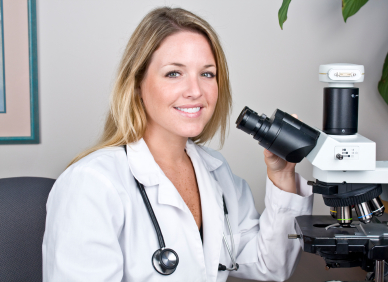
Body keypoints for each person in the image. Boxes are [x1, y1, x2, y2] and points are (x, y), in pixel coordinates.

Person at [42, 6, 313, 282]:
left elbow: (272, 265)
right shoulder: (92, 184)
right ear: (137, 84)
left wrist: (282, 175)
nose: (195, 91)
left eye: (207, 74)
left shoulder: (217, 173)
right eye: (174, 73)